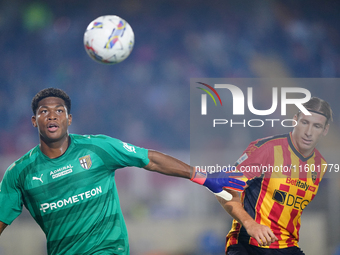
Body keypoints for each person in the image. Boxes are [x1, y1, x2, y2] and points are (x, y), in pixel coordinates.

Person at [0, 88, 246, 255]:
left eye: (59, 110)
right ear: (34, 121)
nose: (52, 115)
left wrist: (201, 177)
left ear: (69, 118)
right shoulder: (19, 173)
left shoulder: (98, 147)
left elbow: (149, 159)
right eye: (44, 111)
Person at [216, 97, 333, 255]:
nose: (309, 132)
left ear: (325, 130)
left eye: (317, 126)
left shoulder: (320, 165)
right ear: (295, 120)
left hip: (288, 247)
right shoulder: (267, 149)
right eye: (305, 122)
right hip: (249, 245)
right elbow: (223, 189)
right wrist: (250, 224)